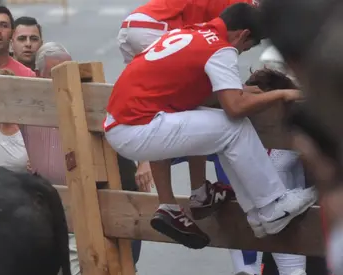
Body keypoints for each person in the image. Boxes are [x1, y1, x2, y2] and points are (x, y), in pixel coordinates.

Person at [104, 3, 316, 247]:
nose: (242, 52)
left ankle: (259, 213)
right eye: (247, 47)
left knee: (224, 130)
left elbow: (200, 89)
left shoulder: (190, 32)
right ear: (243, 35)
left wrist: (242, 89)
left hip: (122, 124)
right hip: (136, 129)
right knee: (232, 126)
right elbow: (234, 107)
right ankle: (272, 205)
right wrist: (281, 95)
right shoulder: (220, 48)